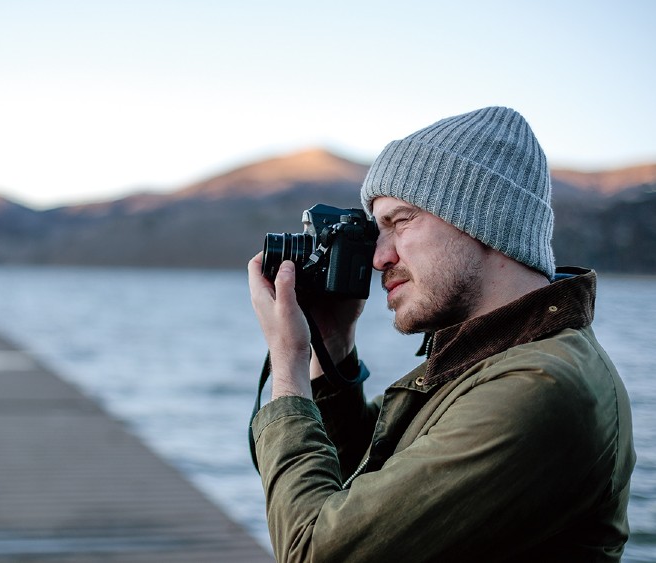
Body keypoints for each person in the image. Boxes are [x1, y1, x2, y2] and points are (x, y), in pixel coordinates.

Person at [247, 106, 635, 562]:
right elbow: (365, 490)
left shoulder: (541, 386)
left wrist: (288, 368)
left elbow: (316, 551)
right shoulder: (490, 358)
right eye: (377, 230)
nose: (379, 258)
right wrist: (331, 347)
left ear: (483, 219)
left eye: (400, 221)